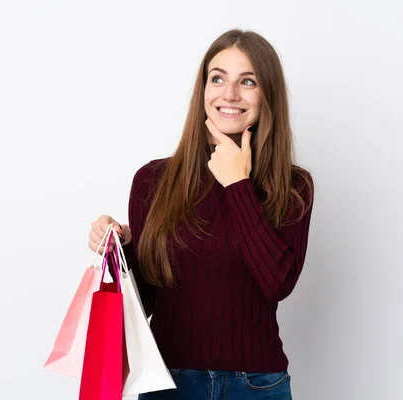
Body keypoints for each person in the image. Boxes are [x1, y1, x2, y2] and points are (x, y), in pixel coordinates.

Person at [88, 29, 314, 400]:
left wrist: (237, 185)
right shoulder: (152, 181)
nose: (229, 94)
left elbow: (278, 283)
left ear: (267, 95)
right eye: (218, 78)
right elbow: (144, 303)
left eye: (248, 81)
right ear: (203, 90)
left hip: (256, 386)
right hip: (169, 384)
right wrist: (120, 250)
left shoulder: (292, 186)